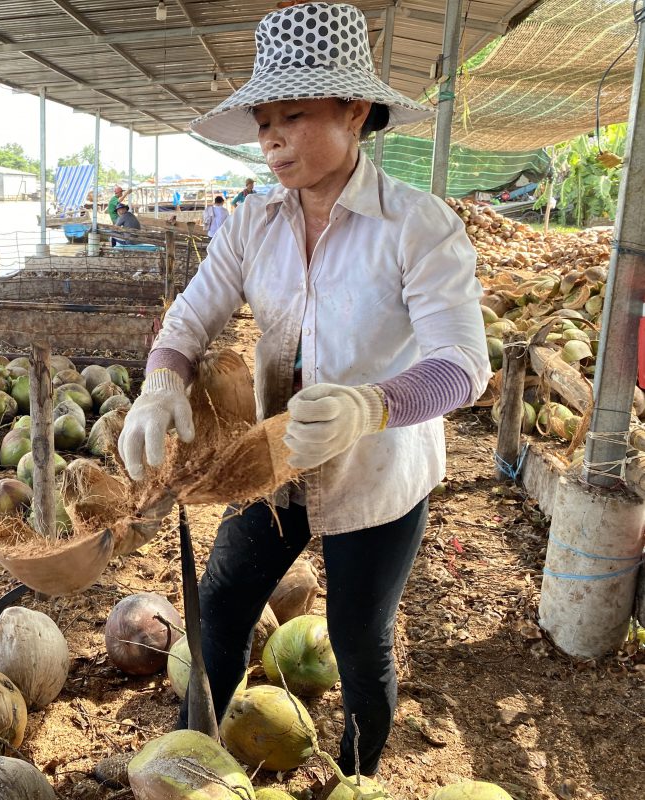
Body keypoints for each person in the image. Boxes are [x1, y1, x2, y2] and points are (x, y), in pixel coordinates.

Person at [117, 0, 490, 784]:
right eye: (262, 122)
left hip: (377, 475)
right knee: (218, 607)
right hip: (271, 469)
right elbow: (187, 320)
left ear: (354, 111)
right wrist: (158, 385)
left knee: (357, 641)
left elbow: (462, 363)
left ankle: (354, 774)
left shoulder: (417, 227)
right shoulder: (249, 226)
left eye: (293, 115)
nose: (271, 138)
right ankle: (195, 766)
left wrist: (371, 404)